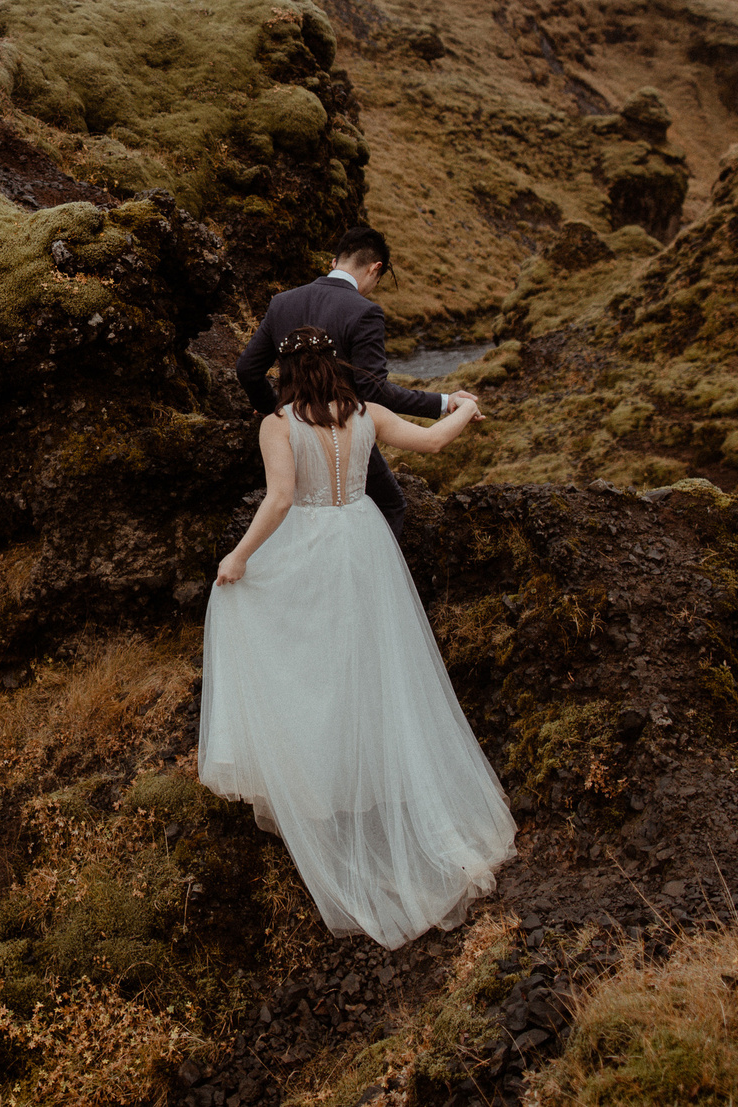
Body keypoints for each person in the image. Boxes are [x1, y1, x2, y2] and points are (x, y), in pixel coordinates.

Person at [198, 324, 516, 948]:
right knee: (372, 660)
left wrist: (238, 556)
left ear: (285, 376)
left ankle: (318, 780)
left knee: (301, 655)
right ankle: (361, 773)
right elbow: (430, 443)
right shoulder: (366, 413)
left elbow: (283, 498)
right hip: (364, 539)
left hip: (313, 541)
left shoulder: (277, 424)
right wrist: (467, 407)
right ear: (335, 364)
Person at [232, 226, 465, 541]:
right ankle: (367, 582)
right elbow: (374, 389)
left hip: (291, 431)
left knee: (294, 509)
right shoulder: (365, 311)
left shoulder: (282, 302)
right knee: (390, 504)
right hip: (344, 431)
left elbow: (247, 369)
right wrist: (443, 401)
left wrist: (276, 411)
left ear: (334, 262)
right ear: (375, 268)